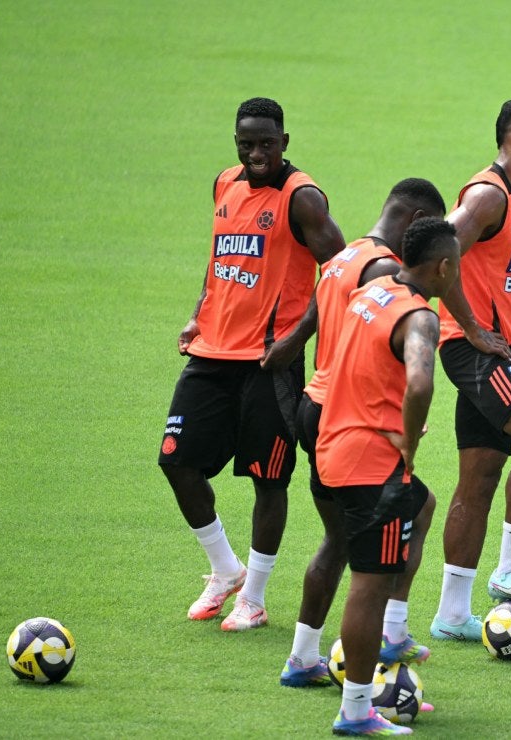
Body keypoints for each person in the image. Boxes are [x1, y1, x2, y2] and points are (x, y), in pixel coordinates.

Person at [158, 97, 346, 632]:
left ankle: (255, 599)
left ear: (285, 142)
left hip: (268, 362)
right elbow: (219, 259)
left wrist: (294, 340)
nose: (256, 153)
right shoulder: (224, 183)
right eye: (247, 143)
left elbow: (340, 272)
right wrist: (198, 314)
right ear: (236, 142)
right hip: (211, 354)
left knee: (269, 480)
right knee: (177, 461)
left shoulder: (301, 197)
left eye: (267, 143)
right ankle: (224, 570)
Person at [280, 179, 447, 688]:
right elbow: (412, 374)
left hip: (320, 410)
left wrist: (282, 353)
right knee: (367, 568)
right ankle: (368, 678)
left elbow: (320, 325)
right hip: (352, 425)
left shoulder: (349, 258)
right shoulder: (386, 277)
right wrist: (405, 431)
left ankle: (304, 656)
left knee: (394, 517)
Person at [429, 98, 511, 641]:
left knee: (480, 475)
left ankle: (451, 613)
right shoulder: (489, 195)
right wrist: (471, 326)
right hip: (475, 349)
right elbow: (440, 253)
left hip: (497, 350)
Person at [319, 217, 459, 735]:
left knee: (422, 506)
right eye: (456, 267)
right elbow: (419, 382)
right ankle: (356, 710)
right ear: (442, 267)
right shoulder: (421, 317)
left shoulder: (374, 289)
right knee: (369, 584)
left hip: (335, 445)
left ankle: (391, 637)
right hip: (370, 463)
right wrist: (410, 434)